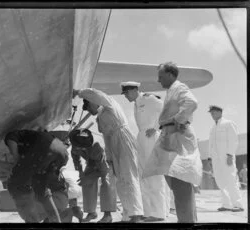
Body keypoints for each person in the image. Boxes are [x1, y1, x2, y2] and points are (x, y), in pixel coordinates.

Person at [142, 62, 202, 223]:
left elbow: (192, 103)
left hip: (177, 136)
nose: (158, 80)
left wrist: (178, 119)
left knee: (180, 181)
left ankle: (186, 222)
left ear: (170, 74)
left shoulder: (179, 88)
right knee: (174, 182)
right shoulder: (171, 91)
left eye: (160, 77)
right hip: (169, 136)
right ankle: (187, 220)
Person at [72, 88, 144, 222]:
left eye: (89, 108)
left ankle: (136, 215)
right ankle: (128, 213)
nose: (90, 112)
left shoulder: (109, 104)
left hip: (123, 138)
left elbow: (96, 94)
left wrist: (79, 92)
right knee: (120, 180)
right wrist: (110, 158)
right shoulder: (100, 116)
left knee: (128, 176)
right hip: (113, 142)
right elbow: (106, 137)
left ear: (93, 103)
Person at [120, 81, 168, 221]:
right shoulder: (137, 103)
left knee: (153, 175)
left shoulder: (149, 99)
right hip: (142, 137)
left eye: (127, 93)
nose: (126, 96)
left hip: (151, 137)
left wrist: (157, 126)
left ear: (135, 90)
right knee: (144, 176)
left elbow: (167, 109)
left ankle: (158, 213)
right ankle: (148, 212)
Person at [4, 129, 69, 222]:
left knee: (17, 185)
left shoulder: (23, 137)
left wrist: (16, 157)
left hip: (46, 149)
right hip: (61, 153)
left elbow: (10, 136)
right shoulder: (34, 137)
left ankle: (32, 219)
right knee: (41, 190)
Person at [69, 128, 117, 223]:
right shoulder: (75, 142)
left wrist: (88, 178)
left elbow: (104, 171)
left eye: (81, 148)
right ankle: (91, 213)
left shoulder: (97, 148)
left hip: (107, 163)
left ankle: (108, 215)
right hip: (91, 162)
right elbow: (76, 159)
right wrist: (81, 174)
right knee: (86, 181)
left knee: (107, 182)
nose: (78, 149)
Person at [207, 105, 244, 212]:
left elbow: (233, 140)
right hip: (215, 159)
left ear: (219, 112)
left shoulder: (228, 123)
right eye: (211, 113)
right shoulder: (213, 128)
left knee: (231, 179)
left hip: (226, 156)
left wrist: (230, 154)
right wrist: (209, 157)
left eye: (213, 113)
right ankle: (226, 204)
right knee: (220, 180)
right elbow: (211, 144)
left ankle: (238, 204)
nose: (212, 115)